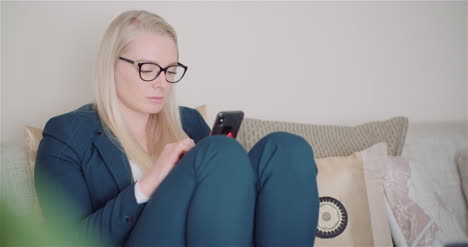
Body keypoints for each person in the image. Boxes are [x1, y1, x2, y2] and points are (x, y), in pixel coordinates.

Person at [34, 10, 319, 247]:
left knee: (286, 149)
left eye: (170, 70)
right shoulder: (66, 135)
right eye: (148, 68)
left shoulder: (189, 122)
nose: (162, 83)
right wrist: (151, 182)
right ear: (110, 66)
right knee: (219, 152)